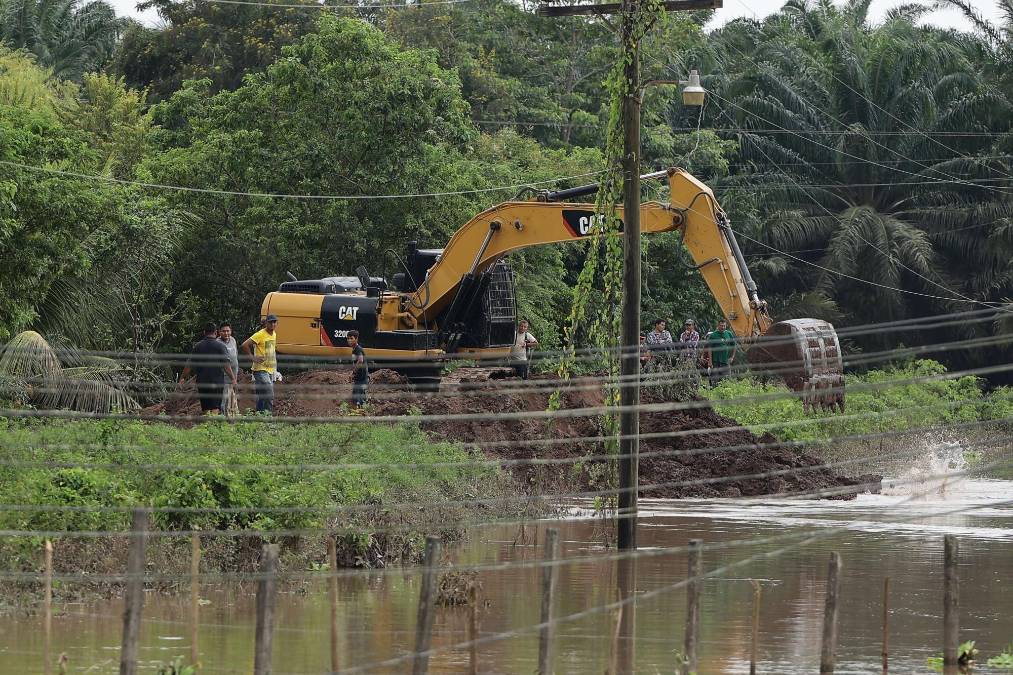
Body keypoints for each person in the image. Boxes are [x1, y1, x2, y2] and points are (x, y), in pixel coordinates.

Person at [180, 322, 236, 416]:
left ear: (204, 332)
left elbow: (189, 365)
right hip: (216, 381)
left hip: (202, 381)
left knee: (206, 406)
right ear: (216, 332)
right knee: (215, 407)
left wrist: (182, 378)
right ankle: (212, 426)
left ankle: (207, 425)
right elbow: (226, 365)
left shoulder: (198, 346)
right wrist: (233, 378)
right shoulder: (221, 346)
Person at [242, 314, 278, 414]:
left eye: (274, 322)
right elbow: (245, 345)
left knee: (262, 395)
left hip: (270, 369)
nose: (273, 324)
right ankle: (268, 418)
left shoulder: (274, 334)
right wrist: (253, 357)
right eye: (270, 322)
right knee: (269, 393)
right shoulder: (260, 334)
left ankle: (259, 416)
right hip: (260, 369)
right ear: (266, 323)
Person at [705, 318, 737, 386]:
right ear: (718, 326)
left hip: (725, 361)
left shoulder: (729, 334)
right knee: (714, 381)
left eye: (724, 326)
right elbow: (709, 348)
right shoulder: (713, 335)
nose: (723, 327)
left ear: (726, 326)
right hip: (715, 361)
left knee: (725, 381)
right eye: (721, 325)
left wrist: (732, 357)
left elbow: (734, 345)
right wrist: (710, 361)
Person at [218, 321, 240, 417]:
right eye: (224, 331)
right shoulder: (217, 343)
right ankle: (222, 418)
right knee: (223, 398)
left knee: (231, 397)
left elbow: (235, 355)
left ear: (231, 331)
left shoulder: (233, 340)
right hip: (223, 376)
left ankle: (231, 417)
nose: (226, 333)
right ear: (219, 332)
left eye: (228, 331)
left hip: (233, 375)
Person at [348, 330, 369, 408]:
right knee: (357, 398)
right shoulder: (354, 350)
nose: (349, 340)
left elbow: (360, 360)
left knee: (358, 400)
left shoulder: (358, 349)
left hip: (362, 378)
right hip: (359, 378)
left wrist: (354, 372)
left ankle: (360, 415)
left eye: (351, 338)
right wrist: (353, 374)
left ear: (356, 339)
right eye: (348, 338)